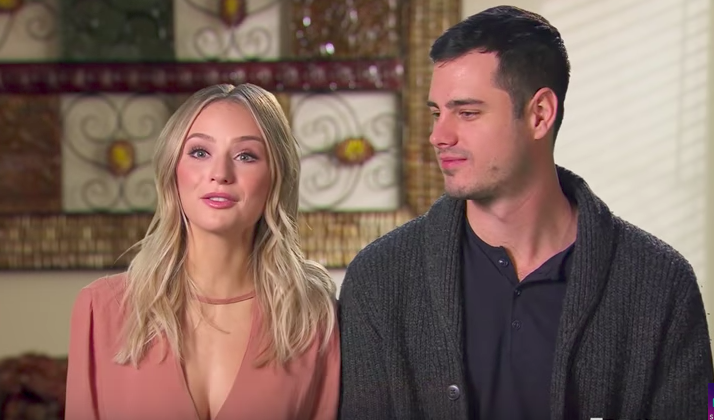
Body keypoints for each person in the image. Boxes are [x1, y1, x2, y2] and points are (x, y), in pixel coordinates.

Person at [338, 5, 713, 420]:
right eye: (436, 113)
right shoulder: (379, 280)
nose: (438, 136)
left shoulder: (662, 285)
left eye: (467, 113)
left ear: (539, 115)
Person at [65, 83, 340, 420]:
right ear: (172, 170)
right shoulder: (101, 309)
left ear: (276, 178)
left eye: (246, 156)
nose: (220, 174)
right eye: (199, 152)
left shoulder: (313, 317)